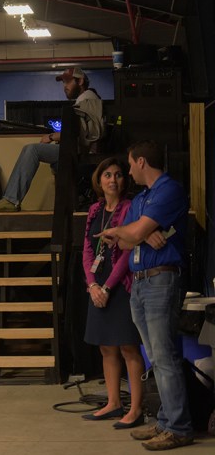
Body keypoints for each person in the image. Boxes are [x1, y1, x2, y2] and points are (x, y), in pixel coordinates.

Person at [100, 142, 196, 451]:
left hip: (160, 280)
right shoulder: (142, 198)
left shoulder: (169, 190)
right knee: (155, 357)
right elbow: (129, 241)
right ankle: (167, 420)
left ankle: (179, 427)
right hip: (139, 283)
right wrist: (136, 233)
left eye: (130, 165)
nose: (128, 172)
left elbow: (130, 234)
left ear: (142, 161)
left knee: (165, 357)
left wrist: (133, 232)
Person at [80, 157, 144, 430]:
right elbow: (87, 249)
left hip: (121, 286)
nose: (113, 180)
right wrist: (92, 284)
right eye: (107, 174)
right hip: (98, 287)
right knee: (107, 347)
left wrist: (107, 287)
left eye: (118, 174)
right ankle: (113, 402)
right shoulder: (95, 210)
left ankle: (136, 408)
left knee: (128, 346)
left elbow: (127, 253)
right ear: (99, 179)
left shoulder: (130, 208)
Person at [0, 67, 106, 211]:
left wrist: (51, 136)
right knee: (47, 159)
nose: (65, 87)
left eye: (68, 82)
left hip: (81, 152)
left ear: (80, 81)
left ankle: (11, 201)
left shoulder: (88, 98)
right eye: (63, 83)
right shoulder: (86, 99)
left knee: (32, 150)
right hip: (76, 150)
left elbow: (84, 132)